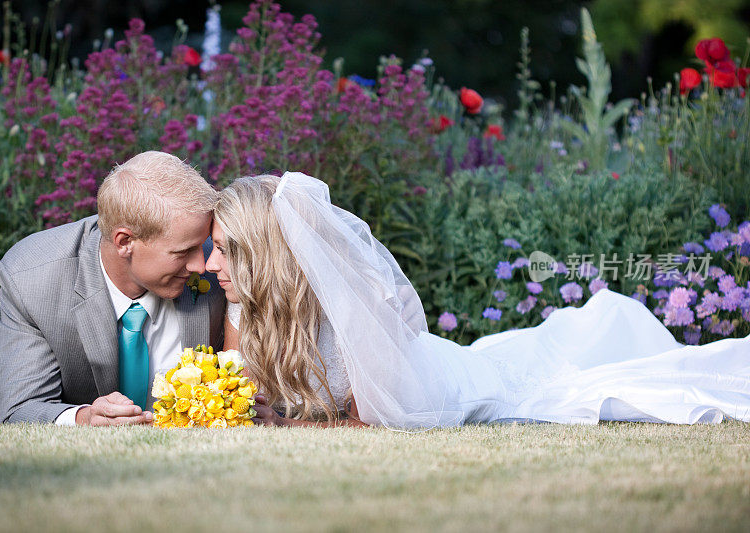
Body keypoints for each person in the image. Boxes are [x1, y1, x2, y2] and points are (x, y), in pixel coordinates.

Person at [205, 171, 750, 429]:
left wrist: (281, 422)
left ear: (264, 255)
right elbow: (247, 396)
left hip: (435, 386)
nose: (209, 265)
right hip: (429, 370)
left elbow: (364, 424)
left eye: (226, 250)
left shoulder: (348, 309)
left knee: (551, 381)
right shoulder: (243, 306)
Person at [0, 151, 226, 425]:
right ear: (124, 242)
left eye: (202, 245)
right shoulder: (33, 279)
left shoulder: (224, 263)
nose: (202, 266)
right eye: (184, 252)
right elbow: (22, 405)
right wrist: (85, 417)